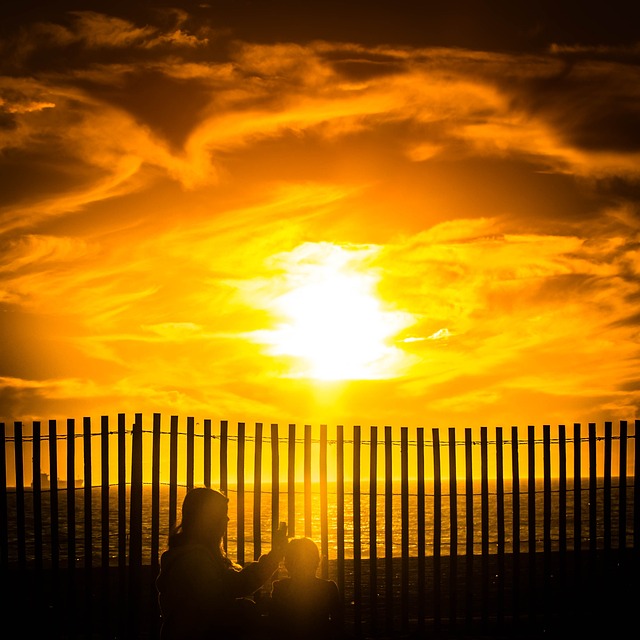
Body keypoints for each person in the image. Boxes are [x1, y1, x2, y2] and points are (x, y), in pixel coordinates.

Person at [156, 487, 288, 640]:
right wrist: (248, 609)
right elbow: (229, 590)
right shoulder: (193, 560)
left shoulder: (195, 554)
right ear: (208, 519)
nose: (227, 519)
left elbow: (230, 587)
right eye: (222, 513)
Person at [268, 537, 344, 640]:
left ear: (288, 564)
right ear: (317, 562)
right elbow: (338, 625)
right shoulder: (328, 588)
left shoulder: (280, 588)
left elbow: (275, 624)